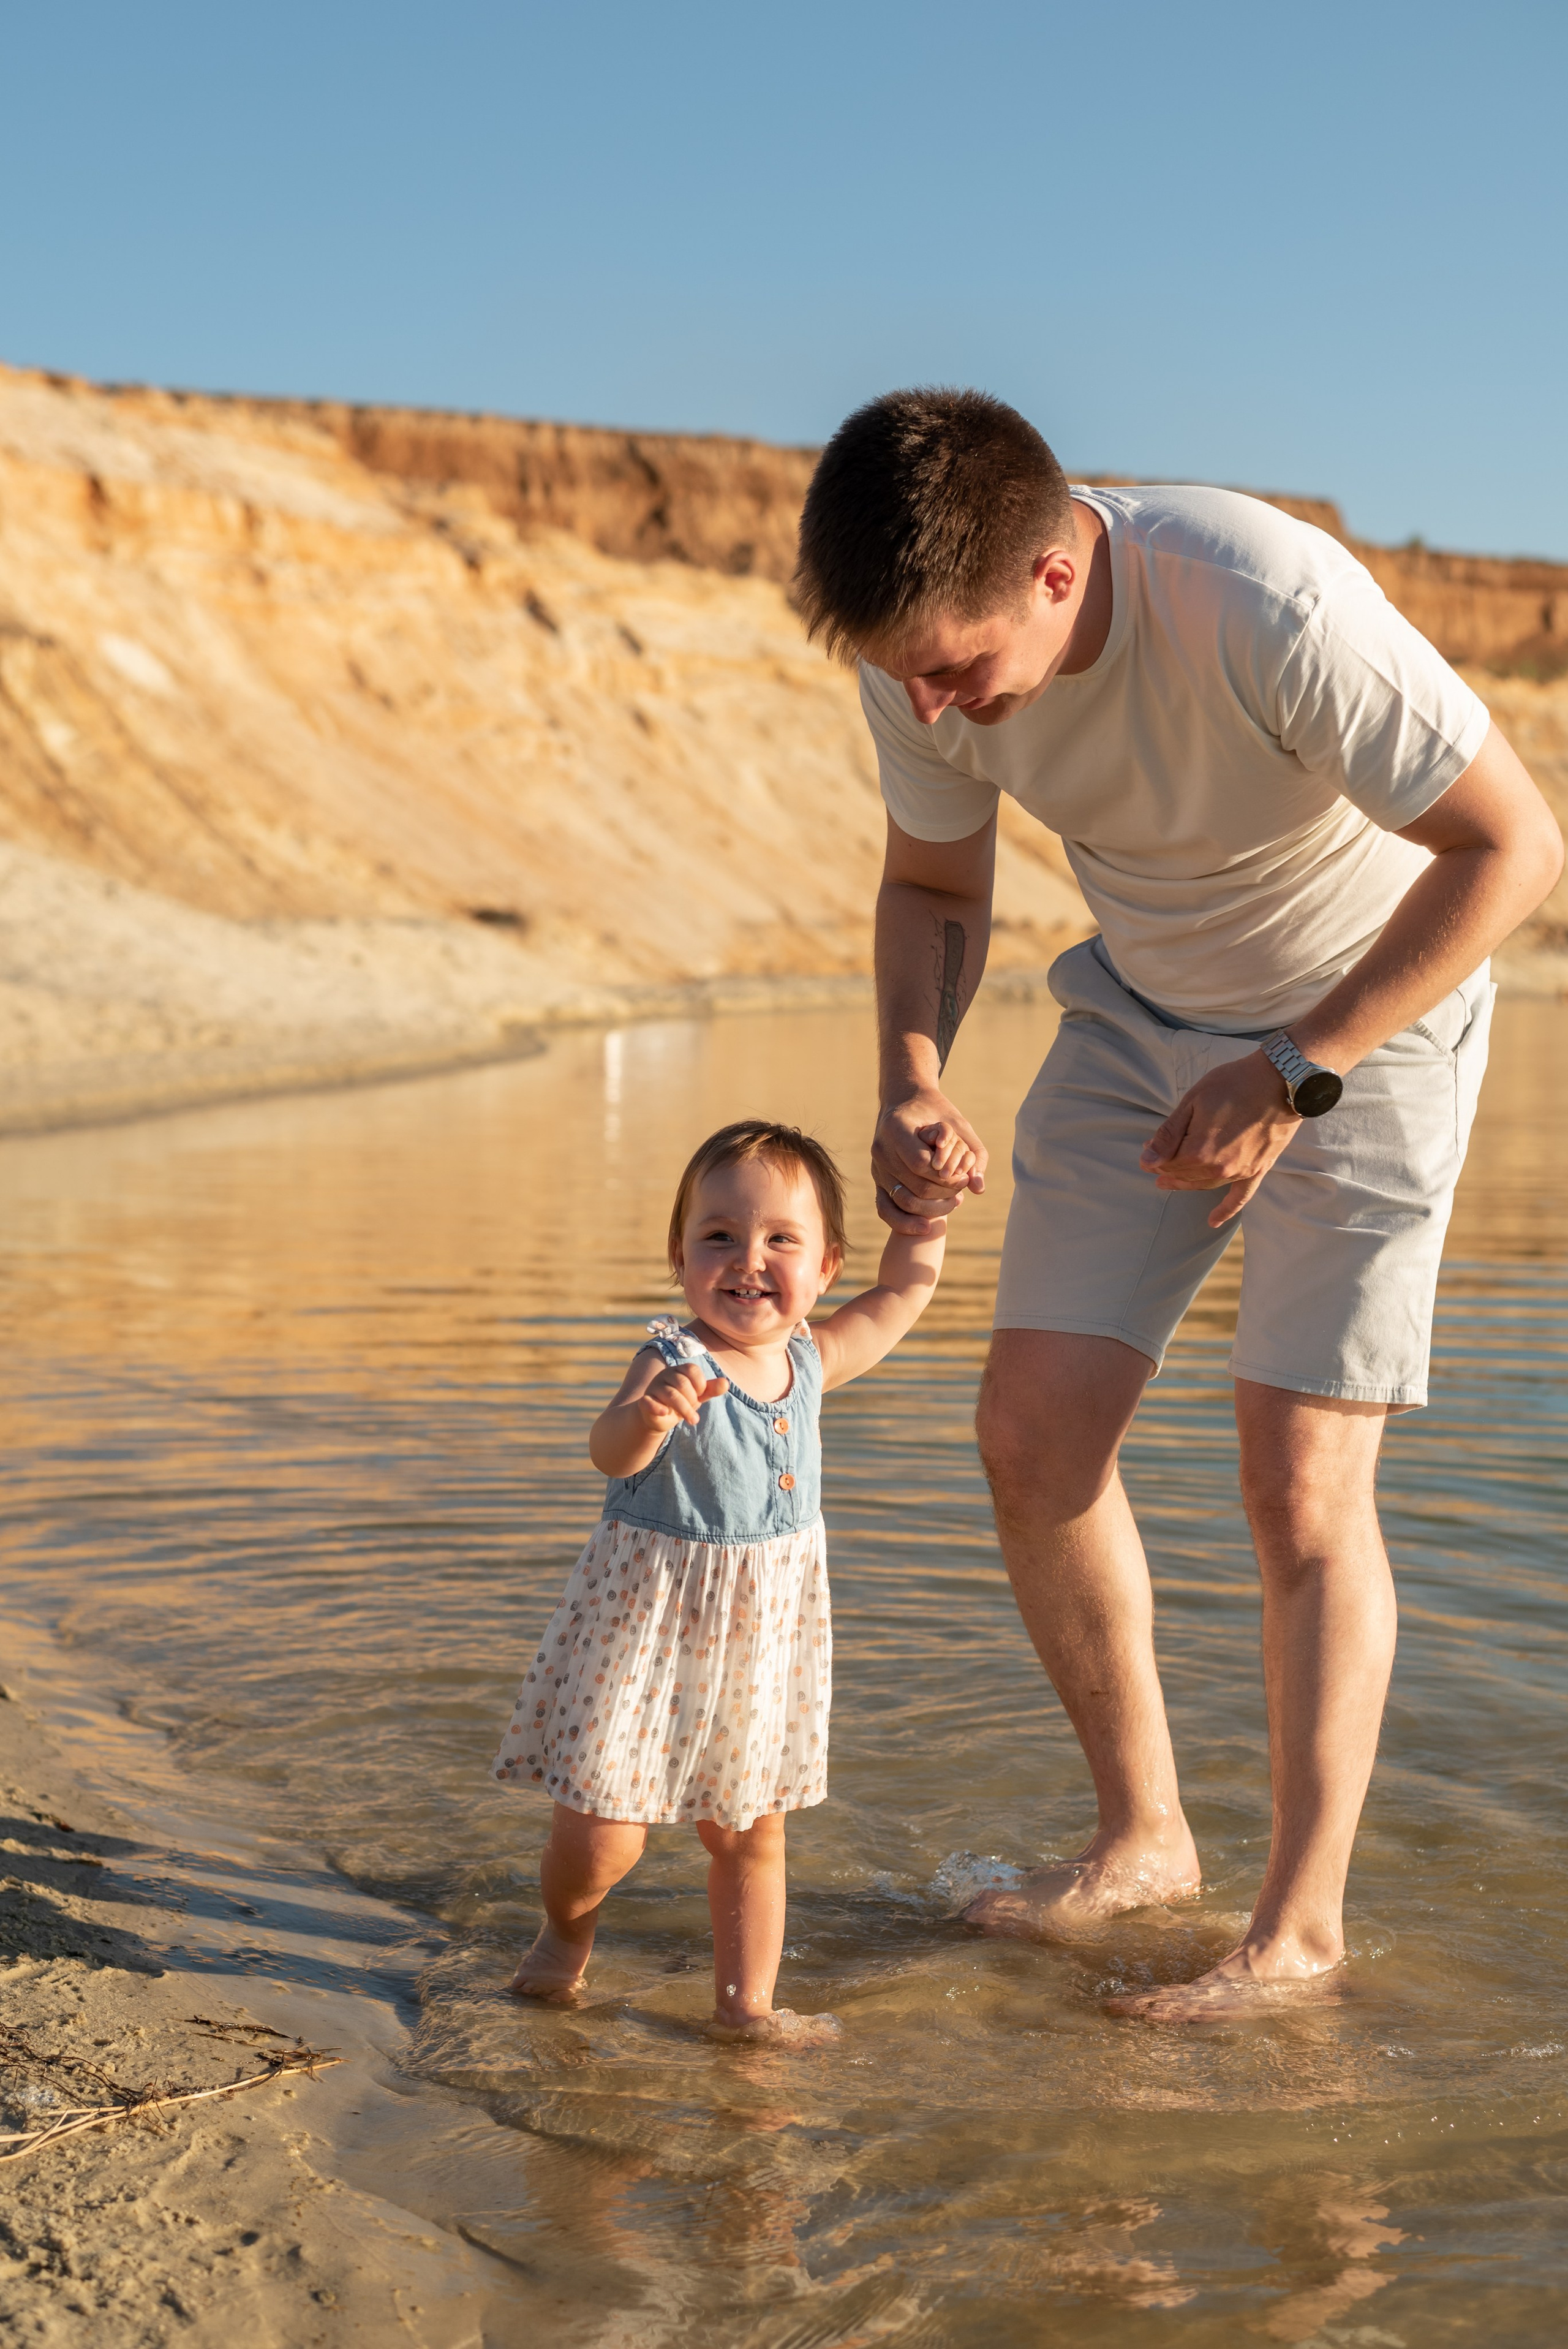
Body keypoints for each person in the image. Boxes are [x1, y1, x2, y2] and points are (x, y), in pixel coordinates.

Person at [794, 388, 1564, 2021]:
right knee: (1030, 1435)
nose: (928, 704)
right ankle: (1143, 1838)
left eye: (954, 669)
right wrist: (911, 1075)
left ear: (1055, 575)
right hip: (1138, 1017)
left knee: (1299, 1482)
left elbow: (1513, 846)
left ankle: (1299, 1932)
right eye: (902, 674)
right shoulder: (912, 657)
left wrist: (1293, 1068)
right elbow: (931, 880)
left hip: (1368, 1020)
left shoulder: (1259, 599)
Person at [491, 1117, 953, 2041]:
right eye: (719, 1236)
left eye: (782, 1238)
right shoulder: (672, 1359)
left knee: (751, 1832)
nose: (749, 1259)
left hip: (760, 1642)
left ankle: (746, 2008)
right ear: (680, 1257)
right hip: (647, 1629)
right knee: (603, 1835)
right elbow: (607, 1450)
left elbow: (907, 1287)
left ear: (826, 1266)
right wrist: (650, 1417)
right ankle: (565, 1935)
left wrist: (928, 1209)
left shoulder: (813, 1359)